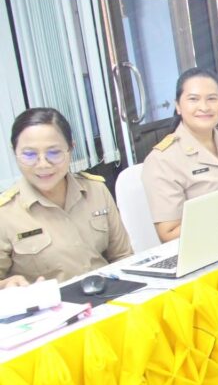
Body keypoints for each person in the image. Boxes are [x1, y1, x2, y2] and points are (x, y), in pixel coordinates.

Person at [0, 108, 133, 283]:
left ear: (71, 149)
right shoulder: (5, 213)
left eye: (54, 153)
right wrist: (6, 286)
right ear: (15, 153)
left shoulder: (96, 190)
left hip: (109, 293)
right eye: (29, 154)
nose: (43, 164)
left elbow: (123, 257)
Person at [142, 68, 218, 243]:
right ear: (178, 106)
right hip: (206, 249)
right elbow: (169, 233)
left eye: (212, 99)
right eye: (193, 99)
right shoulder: (162, 160)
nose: (204, 107)